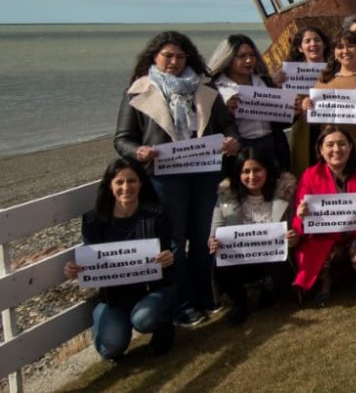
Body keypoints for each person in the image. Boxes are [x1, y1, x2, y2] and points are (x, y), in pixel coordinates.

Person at [114, 31, 240, 327]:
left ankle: (205, 298)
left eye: (180, 56)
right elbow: (122, 139)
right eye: (167, 56)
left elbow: (228, 126)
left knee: (200, 238)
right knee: (173, 242)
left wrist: (232, 142)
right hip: (164, 177)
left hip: (205, 172)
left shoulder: (205, 87)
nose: (173, 62)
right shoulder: (137, 92)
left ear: (189, 58)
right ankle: (182, 305)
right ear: (154, 57)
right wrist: (139, 152)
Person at [64, 159, 176, 360]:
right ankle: (115, 325)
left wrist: (168, 256)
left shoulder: (156, 213)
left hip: (151, 289)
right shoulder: (93, 220)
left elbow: (169, 248)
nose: (126, 187)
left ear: (141, 183)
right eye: (120, 182)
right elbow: (91, 262)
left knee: (143, 319)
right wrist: (77, 270)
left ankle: (164, 325)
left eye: (132, 181)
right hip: (113, 297)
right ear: (110, 185)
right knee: (110, 349)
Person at [291, 127, 356, 302]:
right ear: (321, 149)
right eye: (330, 145)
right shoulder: (309, 176)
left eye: (342, 144)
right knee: (314, 260)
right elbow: (299, 221)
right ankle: (326, 281)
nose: (336, 149)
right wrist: (301, 216)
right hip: (325, 238)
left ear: (350, 146)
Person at [208, 148, 297, 324]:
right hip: (240, 262)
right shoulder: (226, 196)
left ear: (267, 170)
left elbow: (296, 227)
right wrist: (213, 243)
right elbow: (215, 233)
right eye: (245, 171)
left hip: (275, 261)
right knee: (221, 263)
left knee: (280, 272)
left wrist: (293, 238)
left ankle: (269, 292)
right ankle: (239, 303)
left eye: (257, 170)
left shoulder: (286, 193)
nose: (251, 176)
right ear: (238, 174)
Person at [307, 31, 356, 177]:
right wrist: (308, 108)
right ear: (334, 52)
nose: (345, 51)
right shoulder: (324, 81)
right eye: (339, 47)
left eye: (350, 46)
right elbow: (315, 123)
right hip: (334, 157)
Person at [207, 34, 292, 171]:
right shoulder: (216, 88)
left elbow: (283, 121)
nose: (249, 60)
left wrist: (291, 108)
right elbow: (210, 127)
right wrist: (225, 111)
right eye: (242, 56)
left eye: (252, 55)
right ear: (228, 59)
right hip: (240, 149)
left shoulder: (265, 82)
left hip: (271, 144)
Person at [285, 25, 331, 175]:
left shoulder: (337, 70)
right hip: (303, 130)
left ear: (324, 44)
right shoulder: (290, 75)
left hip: (330, 129)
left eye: (317, 40)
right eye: (307, 41)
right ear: (300, 48)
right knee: (304, 173)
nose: (313, 44)